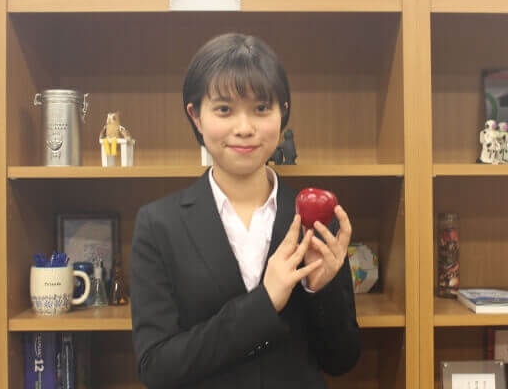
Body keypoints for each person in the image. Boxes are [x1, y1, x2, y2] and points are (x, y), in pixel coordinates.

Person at [130, 33, 361, 388]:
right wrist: (264, 303)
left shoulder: (314, 220)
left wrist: (322, 291)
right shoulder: (158, 225)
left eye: (261, 108)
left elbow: (342, 360)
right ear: (196, 116)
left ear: (283, 113)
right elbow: (156, 368)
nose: (244, 128)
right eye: (224, 109)